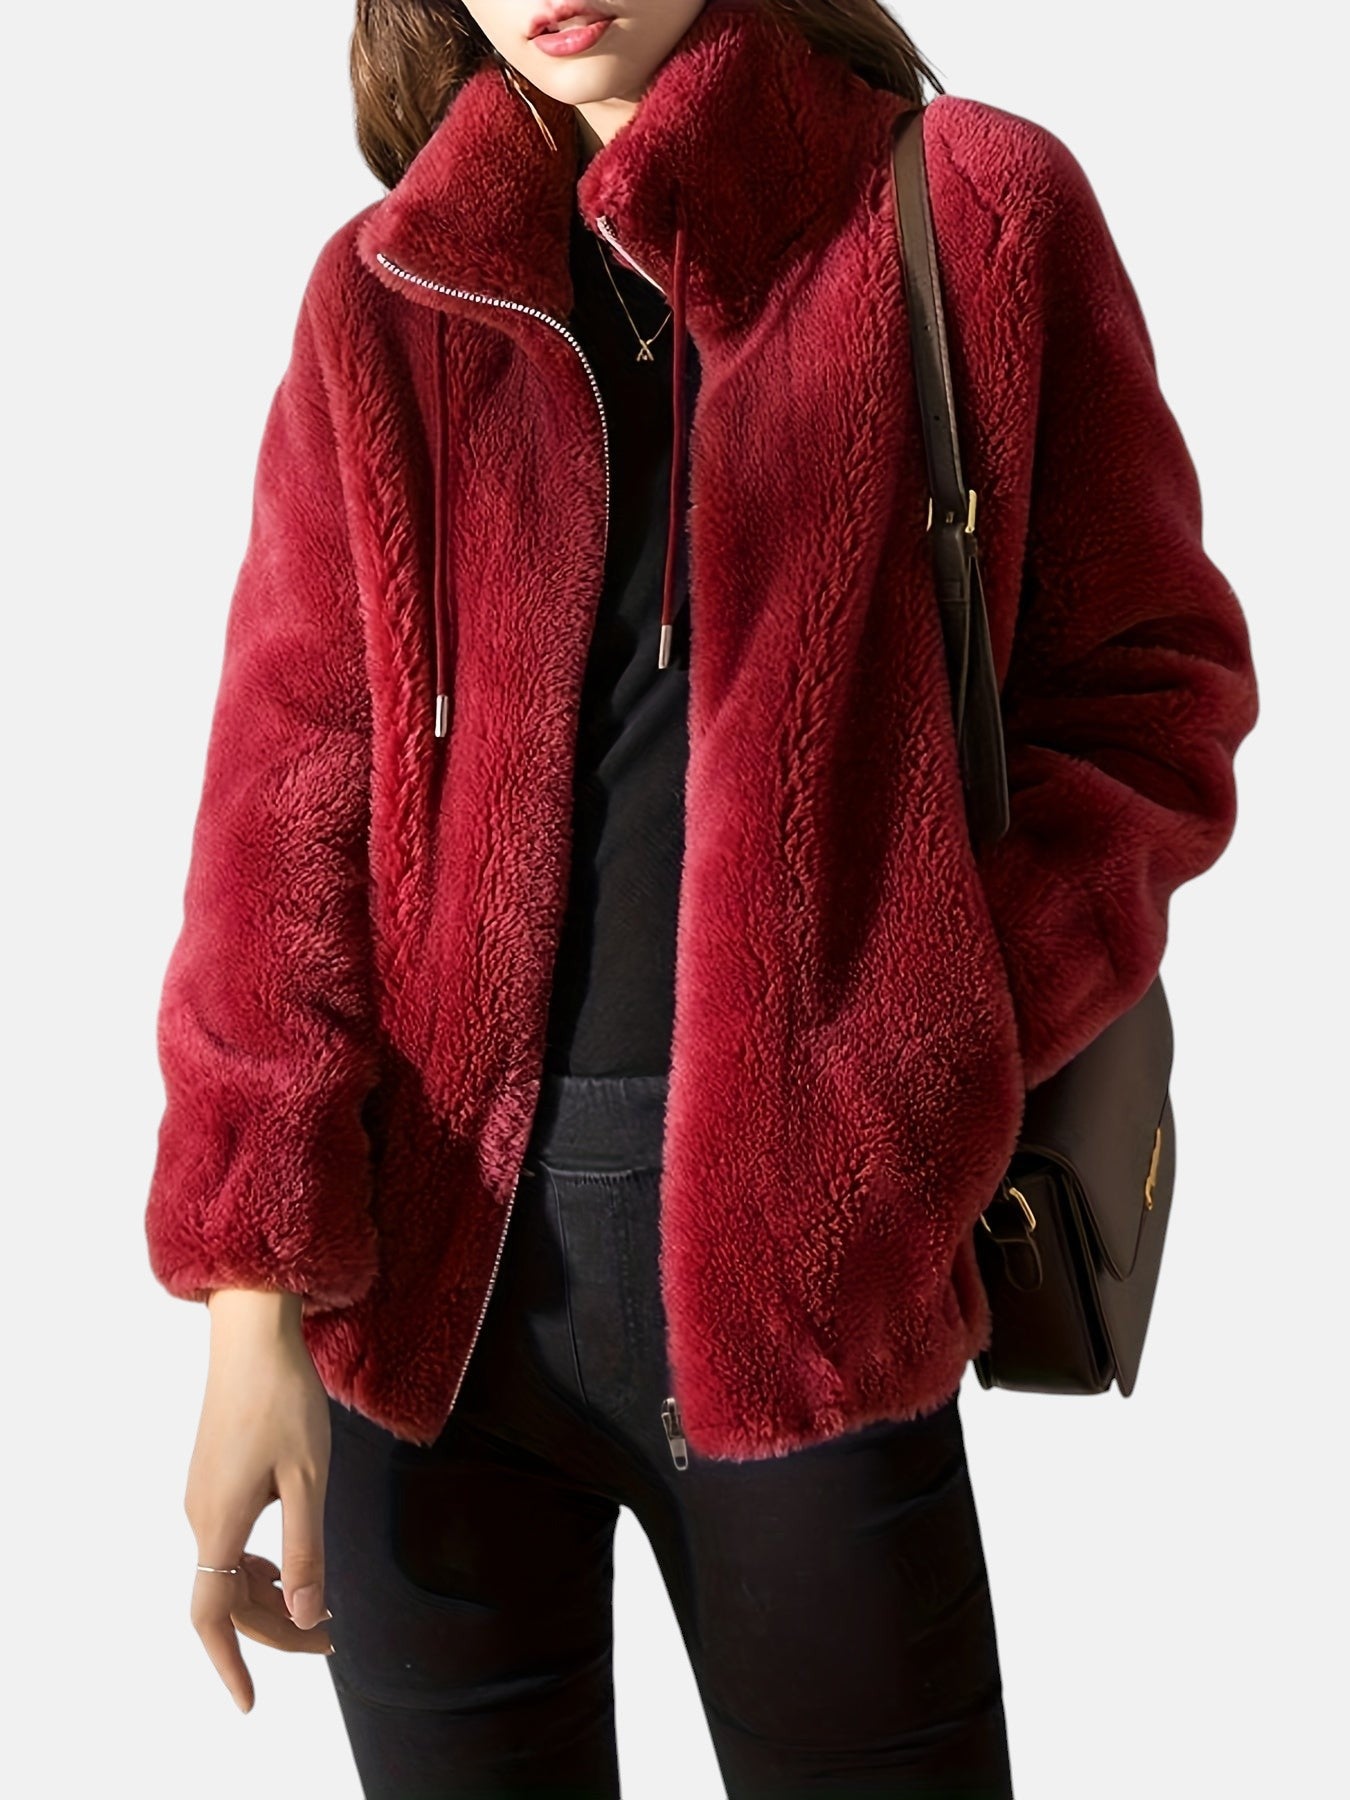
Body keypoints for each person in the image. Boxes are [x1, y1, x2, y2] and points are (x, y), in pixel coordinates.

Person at [143, 1, 1260, 1793]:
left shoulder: (968, 207)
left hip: (806, 1275)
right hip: (429, 1317)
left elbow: (1149, 696)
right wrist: (251, 1306)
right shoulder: (387, 291)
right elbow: (282, 813)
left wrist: (915, 1046)